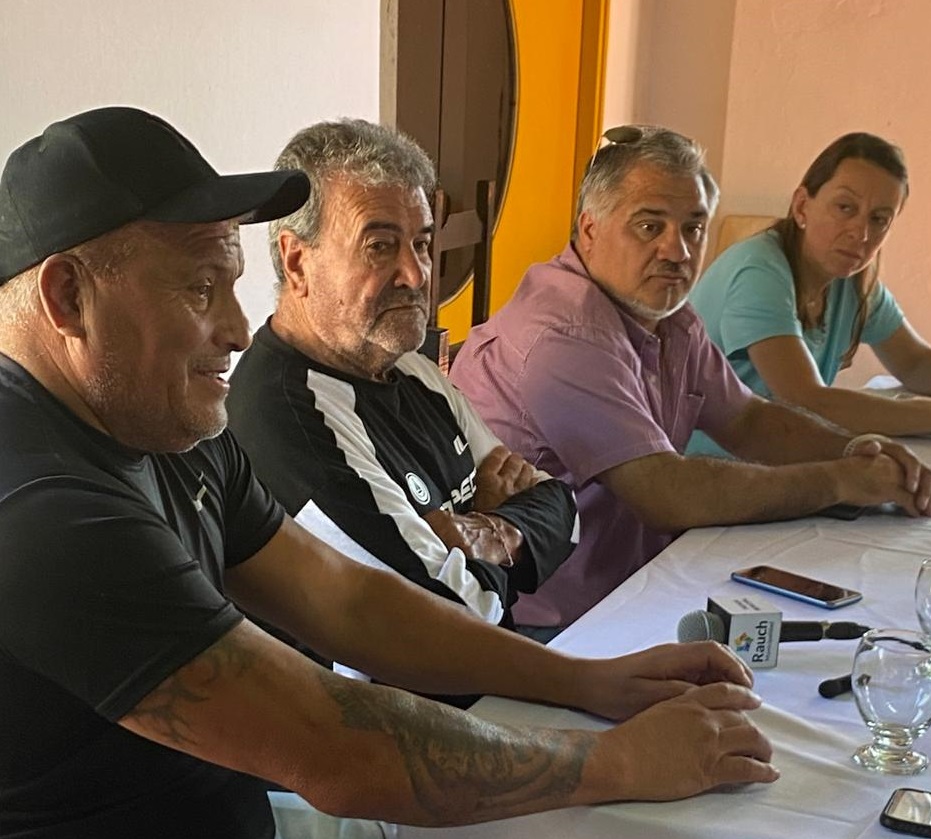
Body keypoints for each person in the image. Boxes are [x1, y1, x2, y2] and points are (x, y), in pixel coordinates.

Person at [0, 107, 778, 839]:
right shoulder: (39, 509)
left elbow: (345, 597)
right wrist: (618, 761)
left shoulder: (158, 417)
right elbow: (332, 746)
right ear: (69, 296)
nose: (236, 329)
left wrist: (587, 680)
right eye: (201, 287)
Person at [450, 124, 931, 635]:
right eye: (649, 226)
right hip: (545, 623)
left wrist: (856, 449)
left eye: (694, 228)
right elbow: (664, 492)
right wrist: (840, 480)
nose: (677, 250)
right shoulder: (564, 333)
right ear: (589, 229)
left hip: (638, 579)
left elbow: (748, 418)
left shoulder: (667, 313)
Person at [227, 119, 578, 657]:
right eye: (380, 246)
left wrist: (485, 529)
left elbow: (565, 508)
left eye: (421, 243)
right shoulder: (286, 414)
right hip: (409, 697)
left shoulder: (410, 367)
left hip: (496, 667)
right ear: (298, 261)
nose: (416, 274)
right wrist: (505, 535)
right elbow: (461, 612)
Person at [689, 132, 931, 456]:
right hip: (703, 469)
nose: (861, 233)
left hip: (773, 464)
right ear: (802, 206)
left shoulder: (854, 284)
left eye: (879, 219)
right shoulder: (758, 269)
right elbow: (806, 400)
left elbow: (914, 363)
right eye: (845, 208)